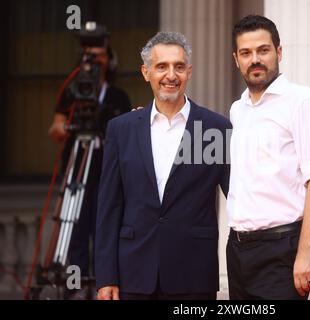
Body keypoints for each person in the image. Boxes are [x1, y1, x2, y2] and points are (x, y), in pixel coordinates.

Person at [95, 31, 231, 300]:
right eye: (161, 67)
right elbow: (109, 207)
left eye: (179, 67)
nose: (171, 75)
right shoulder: (121, 130)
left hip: (193, 276)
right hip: (132, 274)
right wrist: (106, 277)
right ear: (146, 73)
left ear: (189, 72)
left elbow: (240, 198)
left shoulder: (215, 128)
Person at [226, 15, 310, 300]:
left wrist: (307, 251)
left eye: (263, 50)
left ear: (279, 52)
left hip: (281, 249)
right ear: (236, 60)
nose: (255, 60)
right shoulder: (238, 109)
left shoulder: (302, 101)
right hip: (237, 250)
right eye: (246, 53)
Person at [48, 25, 131, 298]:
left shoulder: (119, 97)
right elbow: (56, 128)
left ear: (110, 60)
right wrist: (68, 128)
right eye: (89, 57)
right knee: (76, 233)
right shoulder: (72, 92)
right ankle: (75, 290)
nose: (94, 62)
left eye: (99, 56)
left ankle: (104, 287)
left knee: (105, 231)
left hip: (108, 176)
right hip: (77, 176)